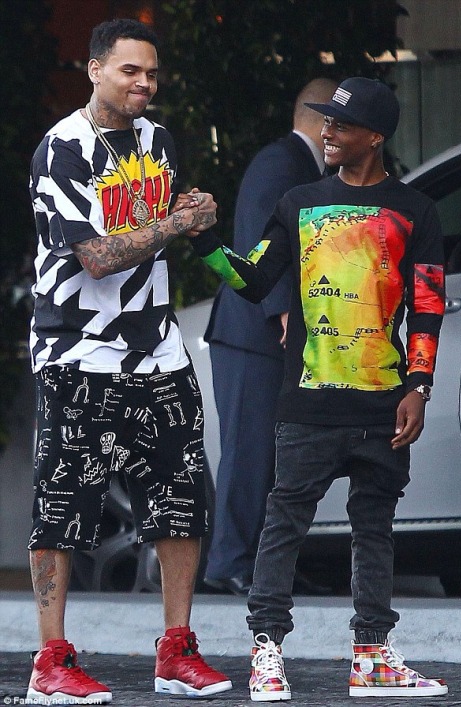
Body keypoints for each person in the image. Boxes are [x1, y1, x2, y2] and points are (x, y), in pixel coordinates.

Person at [187, 77, 448, 700]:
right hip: (306, 400)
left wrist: (419, 386)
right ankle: (266, 654)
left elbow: (428, 305)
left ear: (376, 137)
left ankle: (372, 656)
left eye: (341, 124)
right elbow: (250, 282)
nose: (327, 132)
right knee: (284, 525)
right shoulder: (299, 201)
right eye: (323, 121)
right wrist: (200, 240)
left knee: (375, 528)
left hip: (383, 404)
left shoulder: (417, 211)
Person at [27, 18, 232, 704]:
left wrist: (189, 206)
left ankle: (175, 650)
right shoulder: (64, 148)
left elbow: (162, 219)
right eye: (129, 71)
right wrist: (178, 223)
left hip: (158, 349)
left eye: (151, 72)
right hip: (77, 350)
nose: (145, 83)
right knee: (62, 504)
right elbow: (97, 254)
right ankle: (50, 660)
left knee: (181, 496)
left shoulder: (157, 140)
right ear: (94, 70)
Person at [203, 78, 338, 598]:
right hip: (254, 334)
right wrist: (281, 310)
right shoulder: (281, 162)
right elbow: (260, 240)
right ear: (322, 121)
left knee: (279, 459)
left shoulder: (298, 165)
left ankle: (264, 566)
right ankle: (231, 561)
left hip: (268, 335)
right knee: (250, 450)